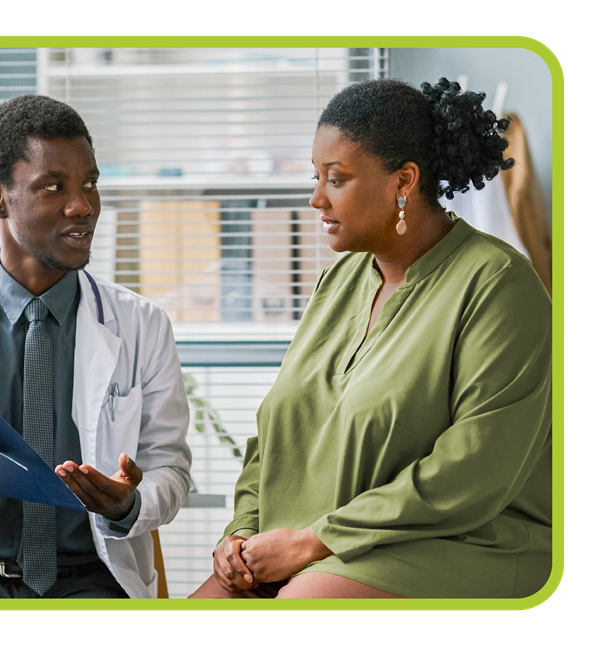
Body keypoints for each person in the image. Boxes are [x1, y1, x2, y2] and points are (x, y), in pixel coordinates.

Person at [190, 78, 552, 599]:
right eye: (316, 177)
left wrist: (314, 541)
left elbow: (475, 470)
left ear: (404, 181)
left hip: (463, 541)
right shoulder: (338, 281)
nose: (316, 199)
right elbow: (277, 433)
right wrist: (243, 531)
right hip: (308, 542)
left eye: (335, 180)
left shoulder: (498, 284)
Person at [0, 94, 192, 599]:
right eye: (53, 187)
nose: (82, 206)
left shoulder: (141, 324)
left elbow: (170, 471)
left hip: (90, 579)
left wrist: (126, 504)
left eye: (90, 183)